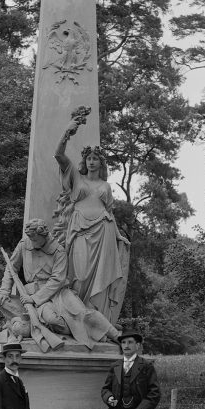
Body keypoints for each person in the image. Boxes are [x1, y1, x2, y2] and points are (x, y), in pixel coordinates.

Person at [0, 218, 120, 350]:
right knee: (52, 320)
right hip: (35, 295)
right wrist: (4, 290)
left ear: (44, 236)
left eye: (35, 239)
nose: (32, 243)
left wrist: (34, 298)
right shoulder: (24, 244)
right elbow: (11, 268)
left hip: (58, 292)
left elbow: (57, 280)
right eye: (30, 239)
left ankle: (115, 335)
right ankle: (88, 333)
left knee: (81, 313)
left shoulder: (58, 251)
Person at [54, 117, 130, 324]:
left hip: (104, 231)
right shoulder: (76, 178)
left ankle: (95, 318)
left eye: (96, 158)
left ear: (101, 162)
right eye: (89, 158)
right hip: (80, 230)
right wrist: (67, 132)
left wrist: (118, 236)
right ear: (84, 161)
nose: (91, 161)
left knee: (100, 277)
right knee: (79, 274)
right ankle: (76, 315)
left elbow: (110, 213)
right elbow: (58, 155)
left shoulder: (106, 186)